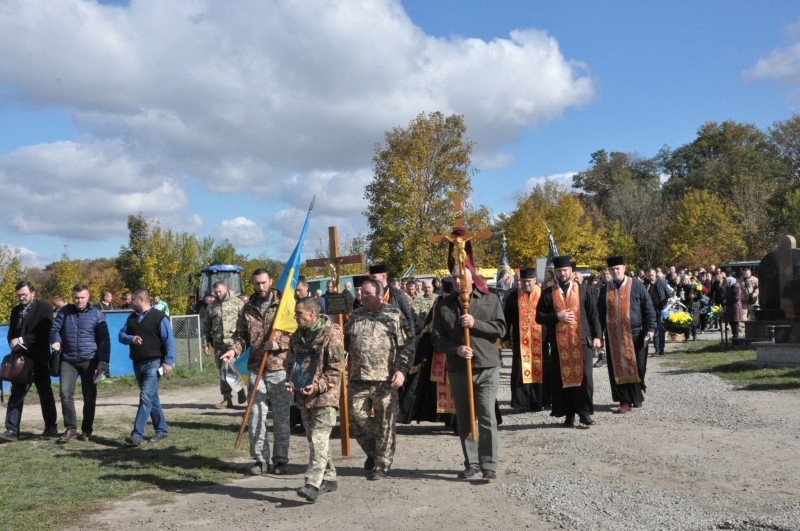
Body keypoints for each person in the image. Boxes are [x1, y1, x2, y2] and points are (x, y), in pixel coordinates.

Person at [433, 265, 506, 481]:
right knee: (464, 419)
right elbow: (436, 338)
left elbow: (501, 328)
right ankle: (471, 463)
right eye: (454, 277)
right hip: (459, 368)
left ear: (473, 279)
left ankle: (489, 464)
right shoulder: (444, 305)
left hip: (486, 367)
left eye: (461, 277)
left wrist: (476, 323)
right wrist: (455, 349)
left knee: (486, 416)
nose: (457, 281)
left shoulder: (490, 299)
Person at [344, 278, 414, 480]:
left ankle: (381, 464)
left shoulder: (393, 314)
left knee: (385, 422)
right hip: (358, 378)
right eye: (361, 293)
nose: (362, 296)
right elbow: (346, 344)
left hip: (385, 379)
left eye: (367, 293)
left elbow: (407, 345)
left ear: (380, 294)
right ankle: (374, 452)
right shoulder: (355, 315)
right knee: (356, 419)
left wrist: (401, 370)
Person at [223, 268, 291, 476]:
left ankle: (280, 459)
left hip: (279, 368)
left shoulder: (285, 304)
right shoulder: (248, 307)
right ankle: (260, 459)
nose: (260, 287)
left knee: (280, 417)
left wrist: (279, 344)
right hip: (256, 368)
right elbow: (242, 336)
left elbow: (297, 333)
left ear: (271, 281)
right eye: (256, 283)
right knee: (256, 415)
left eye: (263, 282)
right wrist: (233, 350)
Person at [285, 297, 344, 503]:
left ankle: (312, 484)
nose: (295, 316)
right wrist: (291, 381)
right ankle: (330, 477)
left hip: (325, 397)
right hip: (304, 397)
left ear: (312, 313)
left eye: (299, 313)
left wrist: (317, 385)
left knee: (319, 438)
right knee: (314, 440)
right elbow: (290, 363)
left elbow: (336, 369)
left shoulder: (330, 335)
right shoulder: (297, 337)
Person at [535, 256, 602, 428]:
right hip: (559, 344)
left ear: (571, 271)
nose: (562, 273)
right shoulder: (549, 293)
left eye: (565, 270)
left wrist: (597, 336)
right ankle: (568, 415)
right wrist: (557, 316)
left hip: (582, 341)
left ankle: (585, 413)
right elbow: (539, 317)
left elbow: (593, 314)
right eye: (559, 271)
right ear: (555, 272)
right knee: (563, 380)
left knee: (584, 378)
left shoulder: (584, 290)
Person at [50, 284, 110, 443]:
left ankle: (87, 430)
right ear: (72, 297)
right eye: (76, 297)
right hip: (68, 360)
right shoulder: (64, 312)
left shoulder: (97, 314)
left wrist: (103, 362)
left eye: (82, 297)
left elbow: (104, 340)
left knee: (89, 397)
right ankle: (71, 429)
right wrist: (56, 341)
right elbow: (54, 330)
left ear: (88, 297)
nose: (79, 301)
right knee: (65, 394)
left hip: (90, 361)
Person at [596, 257, 656, 413]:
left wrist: (651, 328)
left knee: (639, 366)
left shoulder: (636, 285)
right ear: (608, 271)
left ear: (624, 268)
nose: (615, 272)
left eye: (618, 268)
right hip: (613, 335)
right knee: (619, 368)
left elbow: (648, 307)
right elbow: (599, 314)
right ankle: (624, 401)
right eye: (612, 269)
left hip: (636, 333)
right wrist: (597, 335)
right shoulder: (605, 289)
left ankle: (636, 395)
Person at [0, 282, 58, 442]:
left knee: (44, 392)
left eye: (24, 294)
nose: (21, 297)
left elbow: (43, 332)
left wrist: (22, 340)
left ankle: (51, 426)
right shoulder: (15, 310)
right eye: (19, 295)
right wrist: (13, 341)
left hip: (39, 358)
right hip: (19, 359)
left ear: (33, 292)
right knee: (16, 394)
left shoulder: (45, 308)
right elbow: (12, 332)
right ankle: (11, 430)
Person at [118, 288, 176, 446]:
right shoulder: (131, 318)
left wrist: (169, 361)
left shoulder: (159, 317)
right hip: (137, 364)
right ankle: (162, 430)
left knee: (145, 397)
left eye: (133, 299)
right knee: (151, 398)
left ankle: (136, 434)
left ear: (141, 300)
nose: (130, 301)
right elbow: (121, 336)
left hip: (154, 363)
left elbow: (169, 340)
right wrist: (131, 338)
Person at [399, 276, 456, 428]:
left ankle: (457, 421)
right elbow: (428, 327)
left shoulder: (462, 303)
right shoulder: (438, 304)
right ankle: (445, 418)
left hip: (458, 351)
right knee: (438, 385)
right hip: (439, 351)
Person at [503, 268, 549, 412]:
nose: (526, 284)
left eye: (529, 281)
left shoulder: (543, 295)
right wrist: (505, 338)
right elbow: (506, 320)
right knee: (520, 371)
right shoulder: (513, 297)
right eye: (523, 281)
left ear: (535, 280)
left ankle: (543, 401)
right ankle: (522, 403)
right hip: (520, 341)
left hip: (540, 340)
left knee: (543, 370)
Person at [203, 281, 246, 409]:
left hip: (234, 344)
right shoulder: (211, 306)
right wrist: (205, 344)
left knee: (230, 367)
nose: (218, 294)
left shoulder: (237, 303)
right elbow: (206, 327)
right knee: (223, 371)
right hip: (218, 344)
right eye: (215, 292)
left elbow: (245, 323)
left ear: (226, 289)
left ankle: (239, 390)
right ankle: (227, 399)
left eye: (220, 291)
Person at [369, 265, 418, 336]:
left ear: (383, 276)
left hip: (396, 340)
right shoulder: (370, 296)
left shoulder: (398, 294)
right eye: (370, 278)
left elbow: (408, 321)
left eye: (374, 277)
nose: (372, 281)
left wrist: (410, 339)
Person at [644, 268, 670, 356]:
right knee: (654, 329)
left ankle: (662, 348)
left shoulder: (662, 283)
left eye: (652, 275)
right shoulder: (645, 285)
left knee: (661, 329)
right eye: (649, 276)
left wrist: (669, 302)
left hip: (661, 309)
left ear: (655, 274)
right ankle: (657, 348)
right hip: (650, 310)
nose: (650, 277)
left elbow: (668, 294)